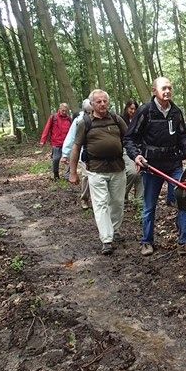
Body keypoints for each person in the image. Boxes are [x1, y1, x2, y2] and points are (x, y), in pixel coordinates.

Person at [123, 77, 186, 256]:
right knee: (149, 205)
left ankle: (185, 240)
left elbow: (182, 136)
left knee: (184, 200)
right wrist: (136, 155)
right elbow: (129, 138)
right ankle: (146, 241)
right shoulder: (144, 111)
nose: (167, 91)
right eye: (163, 88)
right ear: (154, 90)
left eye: (169, 88)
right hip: (152, 167)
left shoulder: (175, 112)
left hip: (174, 165)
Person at [69, 90, 128, 255]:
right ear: (92, 104)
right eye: (98, 102)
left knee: (117, 203)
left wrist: (137, 157)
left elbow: (129, 138)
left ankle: (114, 231)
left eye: (104, 101)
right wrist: (73, 172)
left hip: (118, 167)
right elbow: (76, 147)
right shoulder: (85, 122)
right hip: (96, 169)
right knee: (100, 204)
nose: (102, 104)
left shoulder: (117, 119)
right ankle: (107, 239)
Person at [62, 99, 93, 210]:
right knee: (86, 176)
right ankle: (84, 198)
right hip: (84, 155)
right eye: (89, 112)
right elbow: (71, 138)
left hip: (98, 156)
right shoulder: (79, 121)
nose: (91, 114)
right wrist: (65, 154)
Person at [40, 103, 72, 180]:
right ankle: (55, 174)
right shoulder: (53, 117)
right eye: (63, 110)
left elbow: (72, 130)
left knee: (68, 159)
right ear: (59, 109)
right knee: (56, 159)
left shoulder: (68, 119)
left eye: (66, 111)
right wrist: (42, 140)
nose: (64, 112)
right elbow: (47, 129)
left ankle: (68, 176)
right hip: (56, 142)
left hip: (66, 143)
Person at [121, 98, 143, 203]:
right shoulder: (121, 119)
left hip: (138, 148)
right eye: (131, 109)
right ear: (127, 108)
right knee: (132, 172)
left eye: (135, 109)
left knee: (141, 173)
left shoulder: (140, 119)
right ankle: (121, 195)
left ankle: (139, 200)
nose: (133, 111)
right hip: (125, 149)